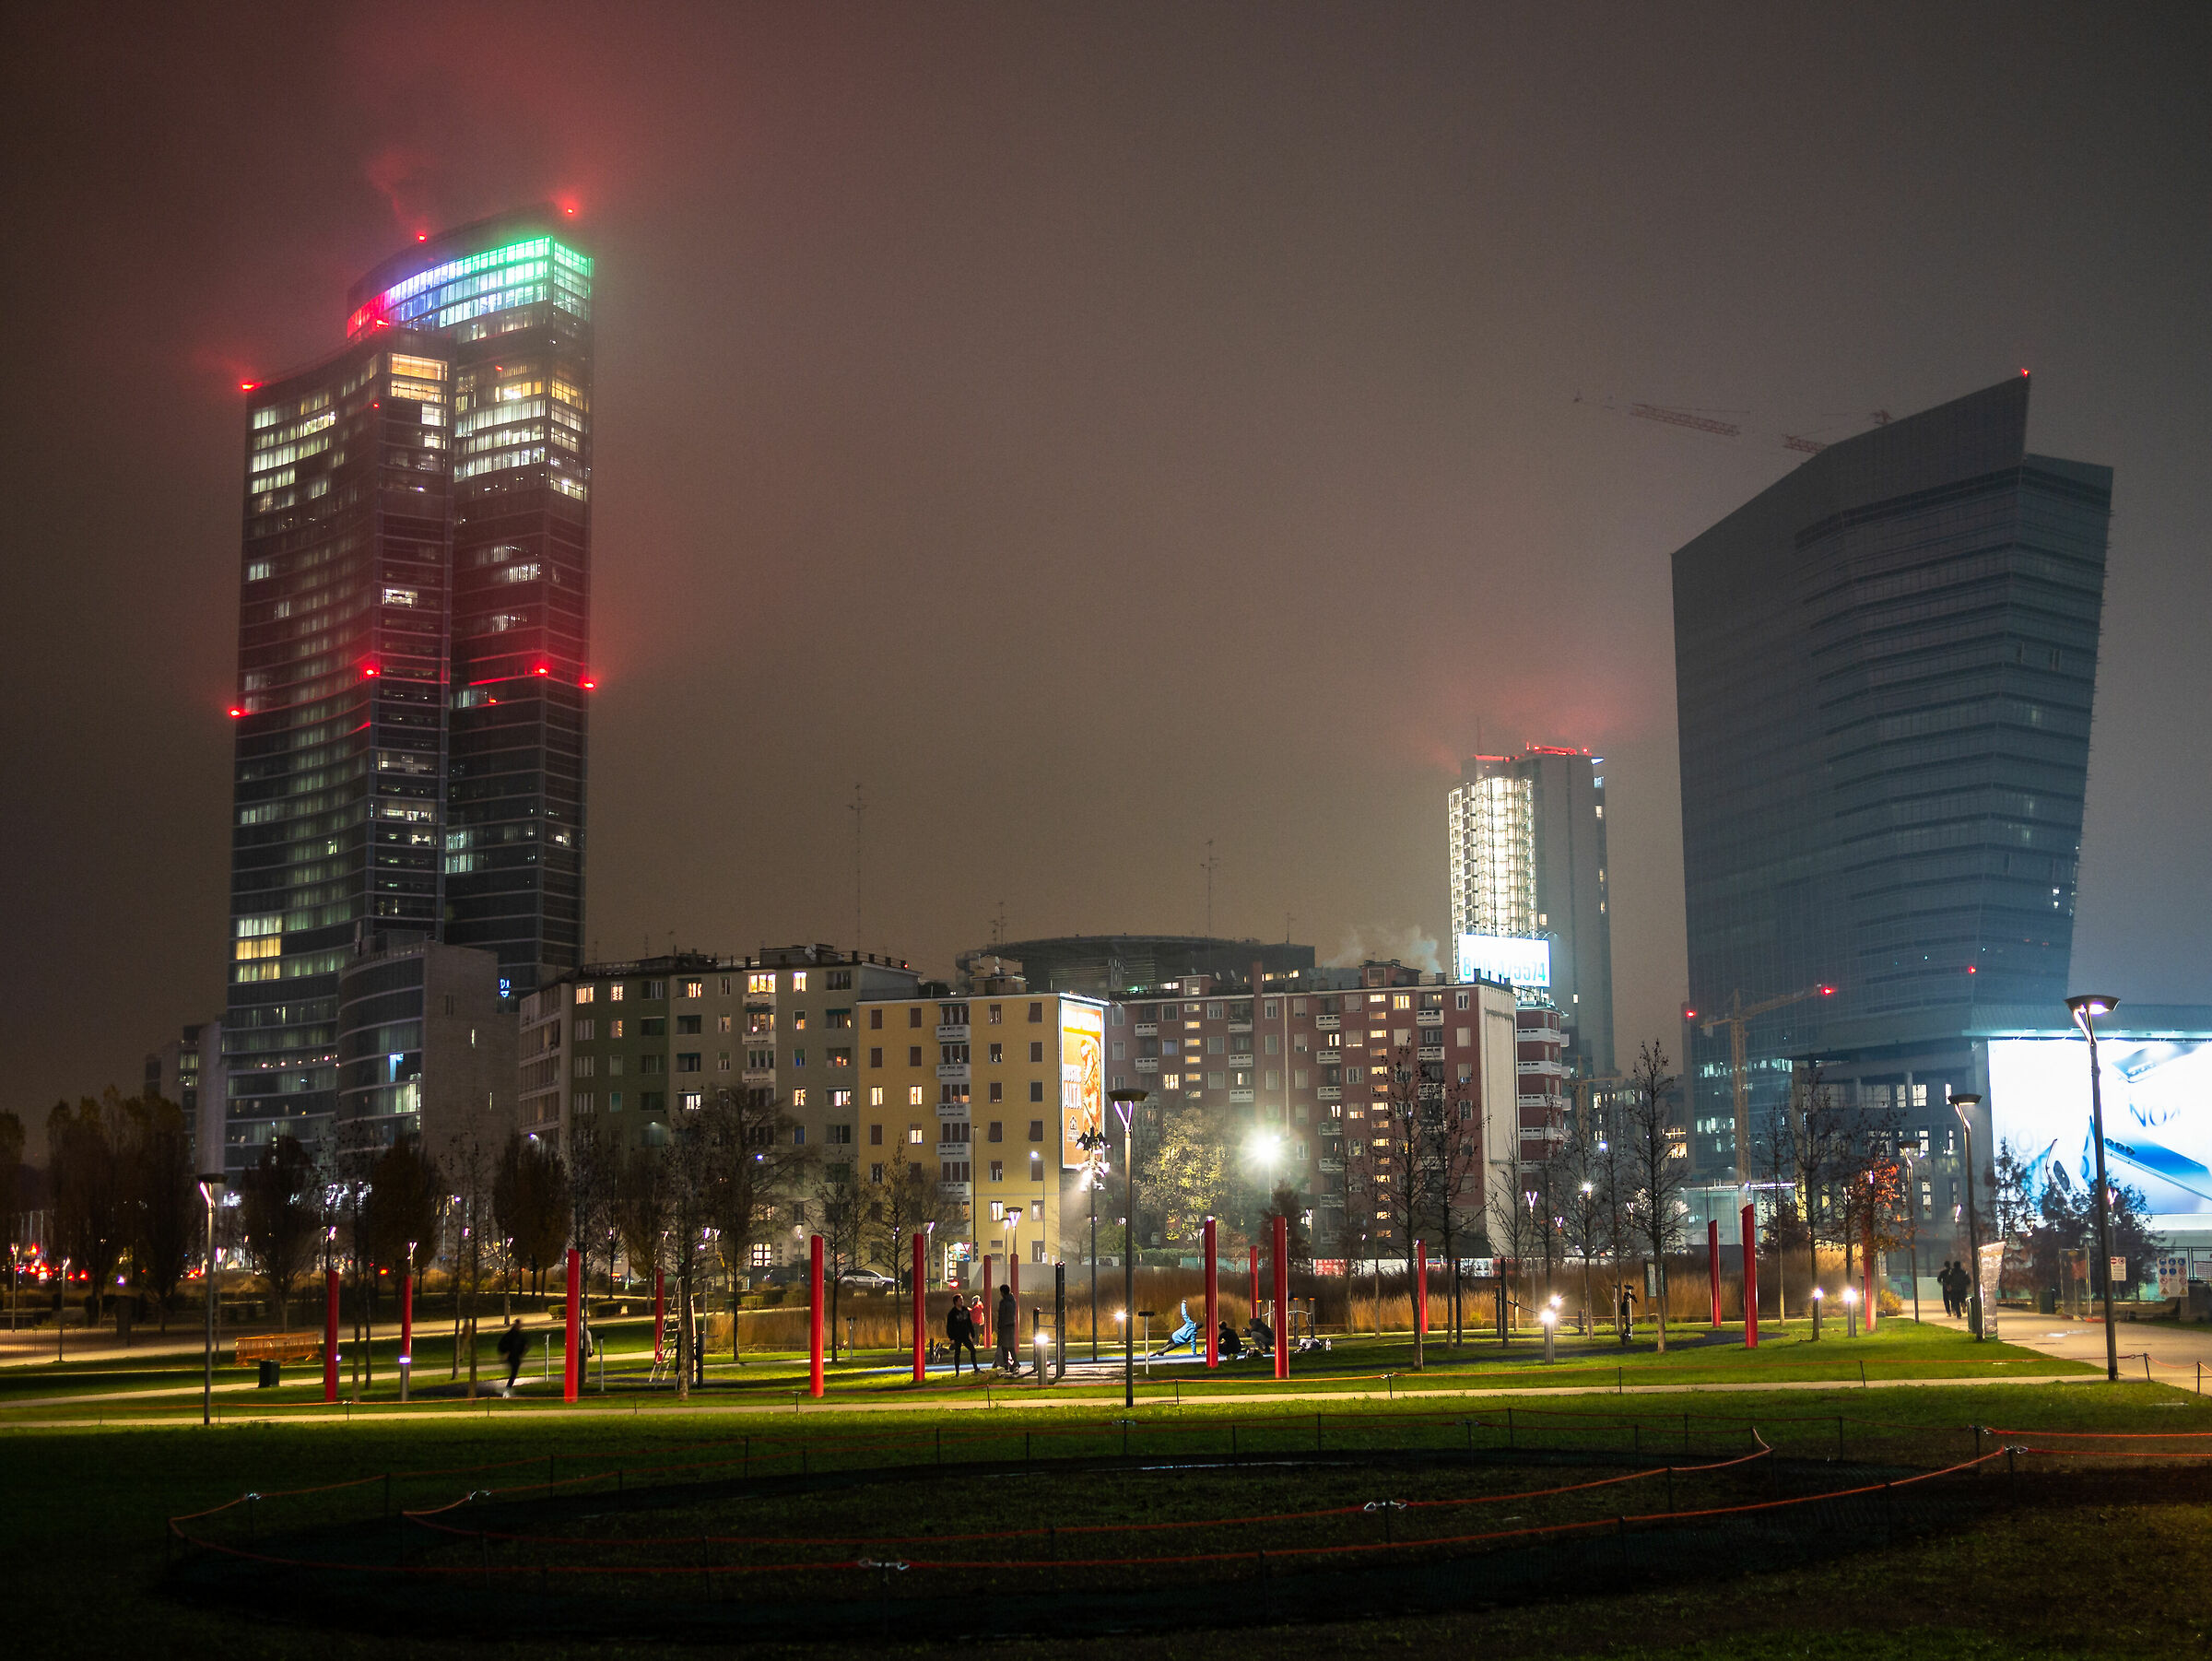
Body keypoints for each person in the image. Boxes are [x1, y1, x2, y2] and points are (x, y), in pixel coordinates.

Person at [945, 1298, 977, 1375]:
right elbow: (949, 1326)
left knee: (973, 1350)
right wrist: (951, 1338)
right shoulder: (952, 1313)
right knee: (957, 1353)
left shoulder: (965, 1310)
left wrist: (972, 1333)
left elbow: (969, 1322)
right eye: (960, 1300)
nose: (962, 1301)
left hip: (965, 1334)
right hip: (957, 1336)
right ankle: (957, 1372)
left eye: (962, 1300)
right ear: (956, 1302)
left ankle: (976, 1368)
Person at [497, 1318, 528, 1396]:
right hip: (512, 1357)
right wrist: (506, 1352)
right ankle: (508, 1389)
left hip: (515, 1356)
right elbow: (503, 1344)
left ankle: (508, 1388)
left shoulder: (517, 1335)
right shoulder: (511, 1335)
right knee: (513, 1373)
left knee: (513, 1373)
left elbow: (524, 1344)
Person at [995, 1283, 1018, 1373]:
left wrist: (999, 1325)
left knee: (1004, 1346)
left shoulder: (1003, 1302)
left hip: (1004, 1326)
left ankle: (1006, 1364)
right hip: (1011, 1324)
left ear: (1002, 1292)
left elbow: (1001, 1315)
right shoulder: (1013, 1301)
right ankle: (1015, 1361)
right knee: (1011, 1345)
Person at [1617, 1282, 1638, 1346]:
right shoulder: (1625, 1303)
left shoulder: (1625, 1301)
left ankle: (1627, 1334)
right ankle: (1626, 1335)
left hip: (1625, 1311)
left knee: (1627, 1323)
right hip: (1625, 1311)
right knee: (1627, 1323)